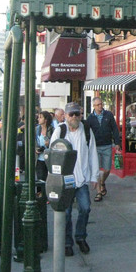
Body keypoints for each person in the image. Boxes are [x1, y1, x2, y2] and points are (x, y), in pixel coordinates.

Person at [50, 102, 99, 256]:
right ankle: (67, 243)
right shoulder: (60, 131)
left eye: (77, 114)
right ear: (65, 116)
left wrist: (94, 176)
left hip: (81, 179)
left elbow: (92, 153)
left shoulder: (87, 130)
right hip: (65, 181)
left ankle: (80, 237)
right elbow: (52, 155)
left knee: (85, 208)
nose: (74, 117)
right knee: (66, 213)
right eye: (71, 114)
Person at [86, 97, 121, 202]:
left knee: (107, 169)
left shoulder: (108, 115)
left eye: (101, 104)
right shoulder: (90, 118)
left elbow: (114, 129)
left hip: (107, 145)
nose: (100, 106)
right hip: (95, 147)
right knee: (96, 170)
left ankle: (102, 182)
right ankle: (98, 192)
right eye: (98, 105)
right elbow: (87, 133)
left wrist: (117, 142)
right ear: (94, 106)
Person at [35, 111, 54, 183]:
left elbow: (55, 143)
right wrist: (36, 149)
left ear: (46, 120)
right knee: (40, 179)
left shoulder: (52, 129)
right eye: (38, 117)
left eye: (40, 117)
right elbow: (34, 142)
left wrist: (48, 144)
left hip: (49, 158)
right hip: (39, 158)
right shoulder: (36, 129)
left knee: (48, 179)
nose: (38, 119)